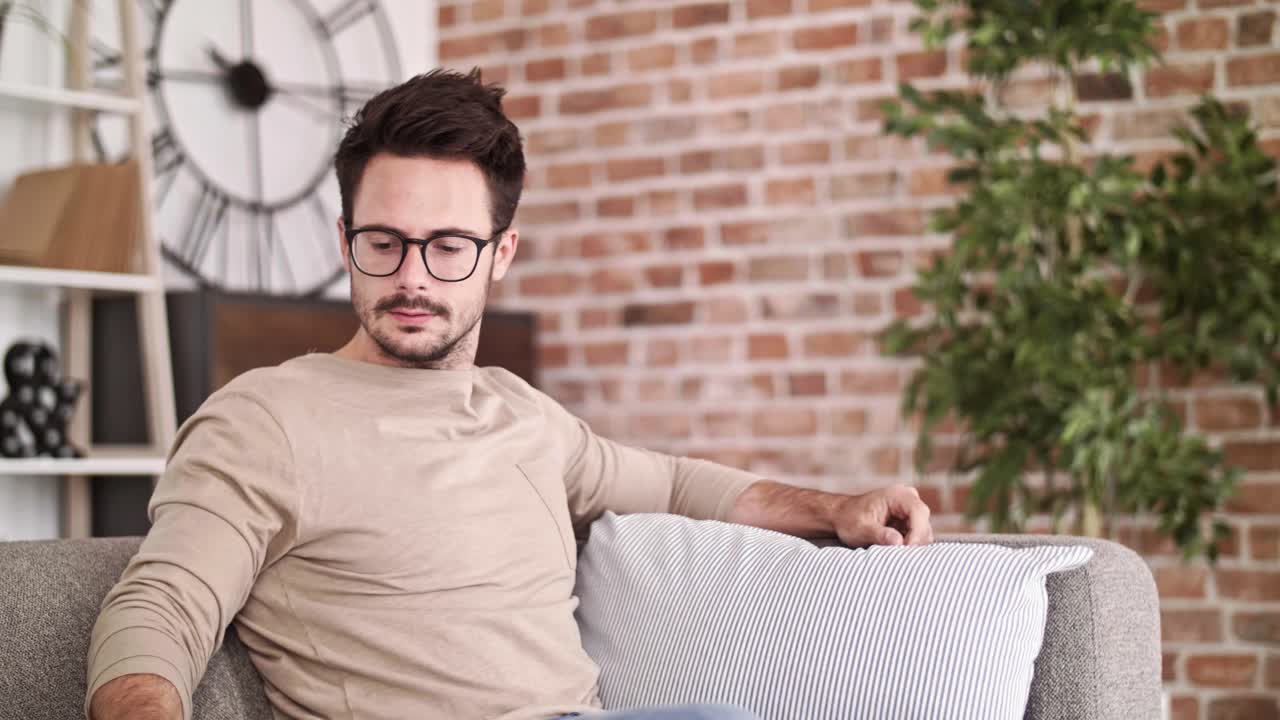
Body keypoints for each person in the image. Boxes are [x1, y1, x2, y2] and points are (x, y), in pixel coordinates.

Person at [85, 68, 933, 720]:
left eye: (449, 245)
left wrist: (836, 509)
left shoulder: (524, 415)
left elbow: (675, 484)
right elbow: (160, 609)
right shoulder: (265, 417)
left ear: (502, 252)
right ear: (346, 241)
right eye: (385, 242)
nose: (412, 278)